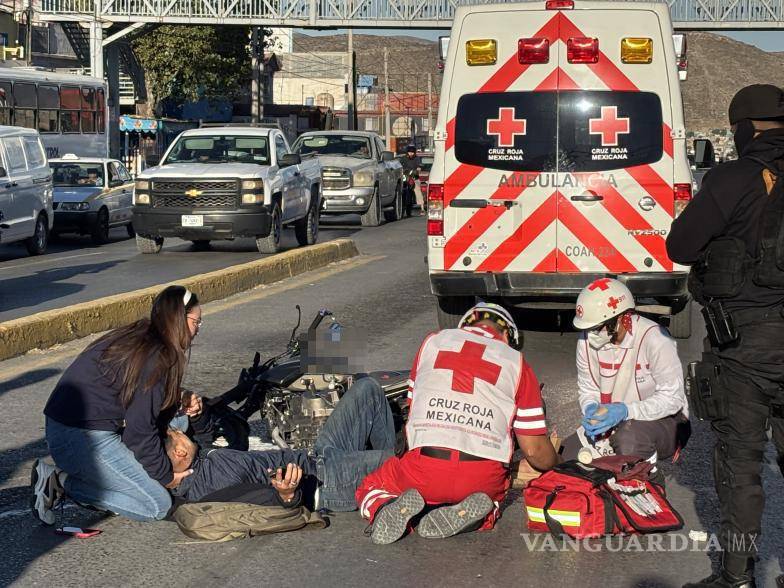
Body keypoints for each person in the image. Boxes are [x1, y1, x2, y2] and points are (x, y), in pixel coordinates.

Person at [667, 84, 784, 588]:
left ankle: (736, 577)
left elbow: (683, 245)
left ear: (743, 129)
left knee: (739, 464)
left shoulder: (734, 177)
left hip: (744, 347)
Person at [355, 302, 559, 544]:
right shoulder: (517, 362)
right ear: (507, 335)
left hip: (424, 468)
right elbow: (536, 451)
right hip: (480, 477)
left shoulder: (432, 342)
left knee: (370, 485)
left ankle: (384, 506)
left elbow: (413, 413)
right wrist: (556, 460)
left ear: (465, 326)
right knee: (491, 499)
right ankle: (481, 517)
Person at [32, 285, 205, 524]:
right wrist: (166, 476)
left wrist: (180, 399)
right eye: (197, 322)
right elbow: (140, 431)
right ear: (179, 320)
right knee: (157, 504)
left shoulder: (143, 335)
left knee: (180, 419)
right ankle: (59, 482)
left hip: (79, 426)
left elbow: (143, 401)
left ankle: (111, 479)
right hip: (79, 437)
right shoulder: (157, 357)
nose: (197, 330)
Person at [165, 377, 396, 511]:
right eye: (178, 433)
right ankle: (392, 484)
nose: (182, 432)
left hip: (317, 457)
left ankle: (386, 484)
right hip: (325, 480)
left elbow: (204, 436)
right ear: (180, 451)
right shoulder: (212, 484)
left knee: (368, 389)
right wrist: (286, 496)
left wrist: (196, 414)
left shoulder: (198, 463)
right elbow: (254, 505)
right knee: (405, 462)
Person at [561, 278, 690, 485]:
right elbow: (588, 388)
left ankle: (650, 486)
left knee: (629, 440)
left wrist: (625, 411)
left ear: (623, 318)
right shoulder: (586, 341)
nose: (593, 334)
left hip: (667, 421)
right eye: (590, 328)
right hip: (616, 419)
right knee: (566, 457)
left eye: (599, 327)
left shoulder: (655, 338)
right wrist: (591, 409)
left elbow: (673, 399)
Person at [400, 145, 424, 215]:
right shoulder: (403, 158)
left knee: (417, 191)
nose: (411, 154)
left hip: (414, 178)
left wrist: (418, 169)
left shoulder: (417, 158)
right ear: (407, 152)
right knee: (401, 190)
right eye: (409, 152)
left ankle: (422, 208)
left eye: (412, 152)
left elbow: (419, 166)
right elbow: (400, 165)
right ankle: (400, 206)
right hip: (405, 177)